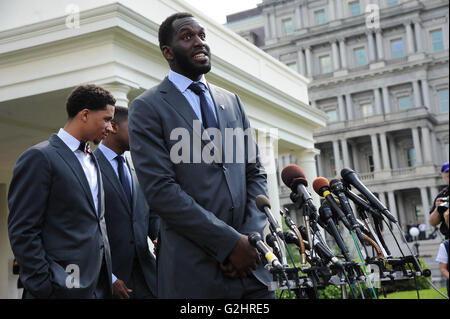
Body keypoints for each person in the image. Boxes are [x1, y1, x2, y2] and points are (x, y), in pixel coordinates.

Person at [128, 12, 273, 298]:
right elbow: (161, 191)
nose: (199, 42)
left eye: (202, 36)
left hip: (251, 272)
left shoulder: (232, 101)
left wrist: (250, 240)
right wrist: (230, 244)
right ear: (167, 52)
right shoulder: (147, 107)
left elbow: (254, 172)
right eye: (187, 37)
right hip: (194, 274)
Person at [8, 84, 115, 299]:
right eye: (106, 119)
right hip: (57, 290)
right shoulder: (40, 157)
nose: (110, 128)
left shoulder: (93, 160)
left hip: (97, 287)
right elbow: (23, 229)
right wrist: (44, 286)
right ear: (85, 114)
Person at [94, 106, 159, 299]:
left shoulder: (138, 167)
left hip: (148, 277)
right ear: (113, 127)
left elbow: (150, 214)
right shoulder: (88, 167)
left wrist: (161, 237)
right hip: (111, 281)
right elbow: (87, 229)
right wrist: (109, 277)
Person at [429, 162, 449, 239]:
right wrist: (437, 209)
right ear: (444, 177)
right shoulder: (442, 195)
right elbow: (433, 222)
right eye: (447, 174)